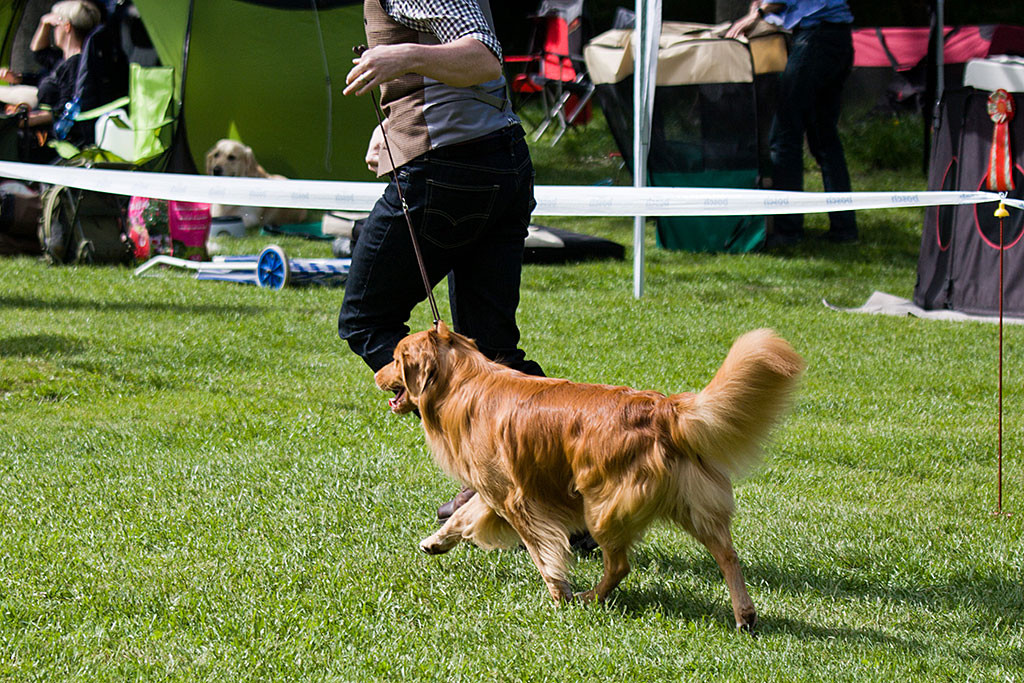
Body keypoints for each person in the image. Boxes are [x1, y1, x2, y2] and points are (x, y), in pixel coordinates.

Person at [339, 0, 544, 523]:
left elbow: (482, 58)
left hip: (449, 172)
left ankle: (482, 460)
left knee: (364, 318)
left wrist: (400, 57)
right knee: (493, 347)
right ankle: (555, 486)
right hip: (501, 161)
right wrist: (394, 120)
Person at [727, 0, 857, 247]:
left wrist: (758, 14)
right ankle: (844, 228)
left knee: (784, 136)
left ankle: (788, 230)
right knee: (824, 139)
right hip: (837, 39)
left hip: (815, 41)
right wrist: (758, 9)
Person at [0, 1, 101, 131]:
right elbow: (39, 53)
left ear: (67, 27)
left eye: (54, 27)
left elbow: (63, 110)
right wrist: (19, 79)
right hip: (36, 107)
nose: (54, 32)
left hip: (44, 126)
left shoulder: (74, 64)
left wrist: (21, 121)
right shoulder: (63, 58)